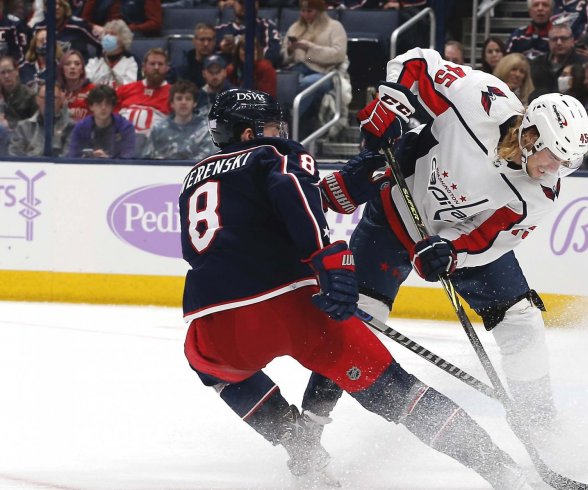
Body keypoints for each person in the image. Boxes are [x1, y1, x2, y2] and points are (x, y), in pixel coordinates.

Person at [179, 87, 534, 489]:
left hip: (208, 321)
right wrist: (328, 259)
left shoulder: (195, 177)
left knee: (215, 371)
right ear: (248, 133)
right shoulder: (273, 154)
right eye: (271, 126)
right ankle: (501, 472)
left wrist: (356, 177)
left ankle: (300, 448)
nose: (278, 131)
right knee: (398, 392)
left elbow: (253, 221)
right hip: (291, 307)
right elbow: (293, 194)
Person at [324, 47, 588, 437]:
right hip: (395, 210)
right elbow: (417, 63)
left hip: (453, 237)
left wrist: (451, 251)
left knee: (521, 321)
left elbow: (488, 237)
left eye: (568, 162)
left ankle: (542, 428)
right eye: (554, 156)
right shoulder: (478, 99)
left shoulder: (539, 194)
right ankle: (309, 427)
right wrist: (390, 104)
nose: (556, 170)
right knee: (355, 324)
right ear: (530, 135)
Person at [282, 0, 347, 126]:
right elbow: (285, 58)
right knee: (286, 82)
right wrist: (290, 50)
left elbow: (339, 55)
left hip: (323, 72)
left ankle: (290, 121)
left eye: (310, 11)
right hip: (296, 69)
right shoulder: (295, 28)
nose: (306, 14)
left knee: (307, 83)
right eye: (303, 11)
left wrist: (310, 48)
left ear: (319, 12)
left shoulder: (334, 26)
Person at [141, 80, 215, 159]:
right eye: (179, 99)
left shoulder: (205, 130)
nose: (183, 102)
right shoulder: (158, 130)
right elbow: (147, 160)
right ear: (172, 103)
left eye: (188, 99)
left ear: (195, 103)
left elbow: (208, 161)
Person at [66, 84, 136, 158]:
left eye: (107, 104)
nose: (103, 108)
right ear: (91, 106)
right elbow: (72, 156)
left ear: (113, 106)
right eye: (99, 104)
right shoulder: (81, 127)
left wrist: (108, 160)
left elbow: (128, 158)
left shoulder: (125, 128)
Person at [116, 47, 170, 137]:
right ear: (144, 67)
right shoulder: (125, 89)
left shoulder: (174, 93)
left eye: (160, 64)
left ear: (167, 68)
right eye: (152, 64)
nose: (156, 67)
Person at [9, 82, 74, 157]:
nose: (48, 102)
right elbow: (15, 156)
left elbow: (69, 157)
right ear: (37, 100)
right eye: (44, 98)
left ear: (61, 101)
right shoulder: (23, 127)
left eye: (54, 98)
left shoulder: (70, 126)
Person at [216, 0, 282, 68]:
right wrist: (221, 49)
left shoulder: (267, 26)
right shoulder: (220, 30)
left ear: (257, 4)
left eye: (251, 2)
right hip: (227, 75)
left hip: (256, 73)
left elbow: (274, 53)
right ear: (234, 4)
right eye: (241, 3)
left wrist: (248, 56)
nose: (246, 6)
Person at [530, 22, 588, 96]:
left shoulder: (583, 64)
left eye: (563, 38)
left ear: (572, 41)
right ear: (549, 42)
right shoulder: (537, 63)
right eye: (554, 39)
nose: (559, 43)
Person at [85, 19, 138, 88]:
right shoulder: (94, 61)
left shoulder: (131, 62)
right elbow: (87, 84)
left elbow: (131, 87)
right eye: (106, 33)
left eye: (112, 34)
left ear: (123, 38)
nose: (107, 37)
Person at [81, 0, 162, 37]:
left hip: (134, 34)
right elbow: (83, 21)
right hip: (103, 34)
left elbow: (155, 23)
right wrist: (96, 27)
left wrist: (130, 28)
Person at [173, 23, 217, 90]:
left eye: (209, 40)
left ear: (214, 42)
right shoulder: (181, 67)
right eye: (202, 40)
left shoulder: (221, 66)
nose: (206, 44)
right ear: (194, 41)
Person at [0, 56, 38, 129]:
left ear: (17, 71)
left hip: (23, 137)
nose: (6, 76)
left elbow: (35, 123)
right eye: (2, 73)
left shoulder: (29, 95)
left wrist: (10, 124)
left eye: (9, 71)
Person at [58, 49, 94, 122]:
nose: (72, 67)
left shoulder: (92, 90)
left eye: (77, 64)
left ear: (82, 70)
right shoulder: (56, 91)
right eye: (67, 64)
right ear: (62, 69)